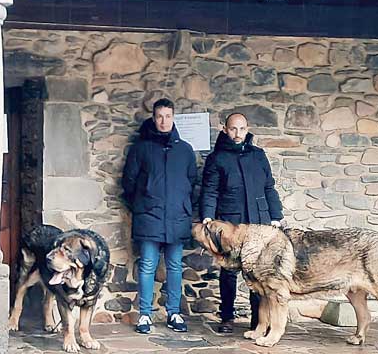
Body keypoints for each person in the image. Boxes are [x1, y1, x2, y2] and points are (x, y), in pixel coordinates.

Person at [200, 112, 284, 334]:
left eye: (242, 129)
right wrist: (208, 216)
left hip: (258, 222)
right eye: (233, 129)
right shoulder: (217, 158)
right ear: (225, 130)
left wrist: (275, 216)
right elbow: (210, 190)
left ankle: (259, 321)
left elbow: (268, 187)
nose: (238, 134)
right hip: (231, 221)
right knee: (228, 272)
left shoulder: (258, 155)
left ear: (247, 130)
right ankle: (227, 317)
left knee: (259, 272)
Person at [122, 98, 198, 334]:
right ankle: (145, 314)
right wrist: (143, 204)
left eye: (168, 116)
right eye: (159, 116)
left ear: (173, 117)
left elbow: (191, 182)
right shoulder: (141, 149)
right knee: (147, 266)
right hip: (149, 217)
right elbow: (128, 182)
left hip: (177, 217)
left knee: (175, 266)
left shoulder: (185, 150)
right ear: (153, 118)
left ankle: (174, 313)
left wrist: (184, 206)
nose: (163, 121)